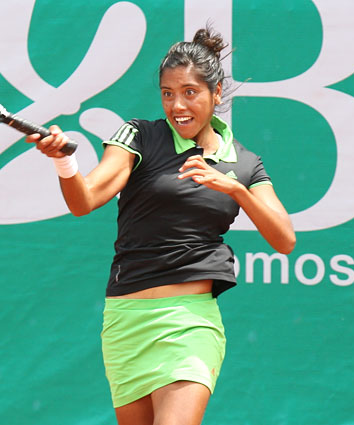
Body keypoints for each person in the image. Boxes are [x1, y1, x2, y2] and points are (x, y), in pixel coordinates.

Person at [26, 26, 295, 425]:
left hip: (190, 323)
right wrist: (64, 162)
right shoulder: (140, 135)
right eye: (168, 93)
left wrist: (235, 189)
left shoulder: (244, 163)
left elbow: (285, 239)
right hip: (126, 322)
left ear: (216, 93)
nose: (177, 105)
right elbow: (84, 201)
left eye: (190, 92)